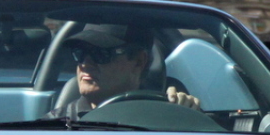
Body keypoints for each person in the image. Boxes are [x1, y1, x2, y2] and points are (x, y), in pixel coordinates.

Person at [47, 24, 200, 118]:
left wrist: (188, 114)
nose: (86, 63)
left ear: (139, 61)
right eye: (79, 53)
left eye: (100, 53)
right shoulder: (53, 127)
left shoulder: (167, 115)